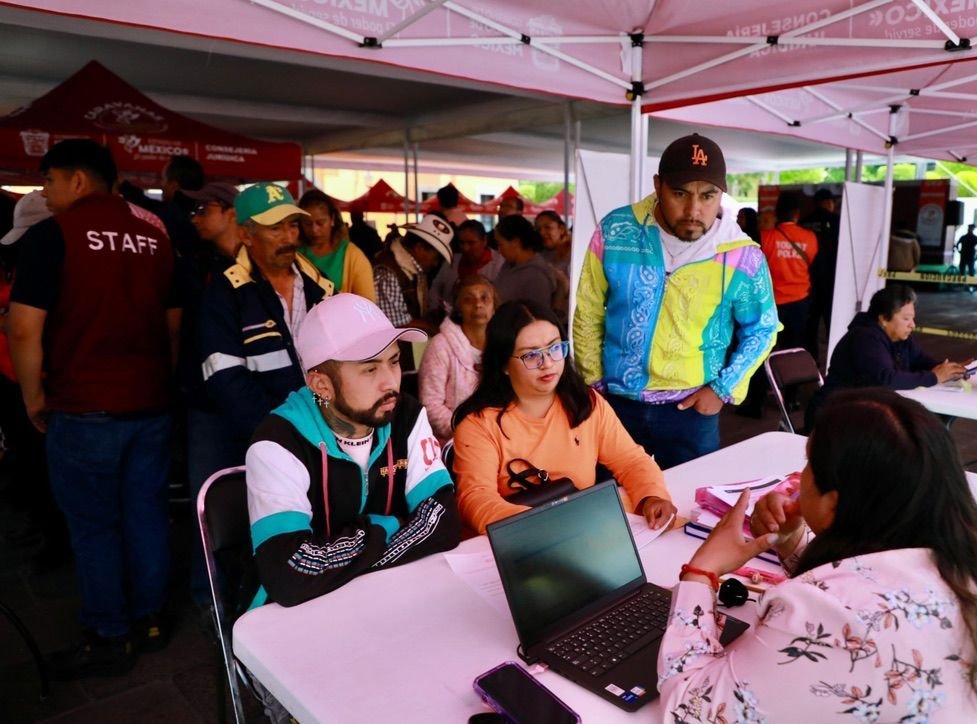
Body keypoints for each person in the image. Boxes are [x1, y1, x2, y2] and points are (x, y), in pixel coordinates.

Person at [659, 388, 977, 722]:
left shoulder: (824, 613)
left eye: (809, 464)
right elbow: (868, 586)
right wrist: (792, 542)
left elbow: (691, 711)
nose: (798, 478)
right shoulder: (957, 559)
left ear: (834, 503)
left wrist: (702, 571)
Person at [8, 139, 179, 677]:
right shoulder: (156, 231)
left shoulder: (52, 235)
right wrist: (161, 381)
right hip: (150, 402)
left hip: (84, 406)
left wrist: (33, 397)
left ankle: (109, 633)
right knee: (146, 513)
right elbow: (174, 323)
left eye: (49, 180)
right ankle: (150, 621)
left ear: (78, 180)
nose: (45, 193)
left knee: (94, 525)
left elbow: (23, 327)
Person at [574, 133, 778, 469]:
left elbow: (763, 328)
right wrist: (593, 385)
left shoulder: (742, 256)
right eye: (680, 193)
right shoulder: (615, 232)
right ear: (658, 186)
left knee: (689, 498)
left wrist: (722, 389)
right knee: (609, 497)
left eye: (708, 195)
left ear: (722, 194)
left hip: (692, 410)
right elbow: (588, 310)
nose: (694, 210)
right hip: (615, 404)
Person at [245, 293, 460, 609]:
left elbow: (444, 523)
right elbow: (290, 574)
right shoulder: (278, 443)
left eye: (394, 361)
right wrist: (386, 526)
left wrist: (344, 557)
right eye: (370, 369)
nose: (391, 383)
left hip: (390, 597)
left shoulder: (407, 415)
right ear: (321, 385)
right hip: (302, 617)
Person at [452, 299, 675, 535]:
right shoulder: (478, 425)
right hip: (513, 541)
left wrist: (652, 496)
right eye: (531, 355)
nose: (548, 363)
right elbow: (476, 498)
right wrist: (548, 525)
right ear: (504, 365)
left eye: (554, 348)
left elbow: (630, 460)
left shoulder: (585, 402)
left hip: (580, 531)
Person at [198, 182, 334, 479]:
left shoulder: (320, 286)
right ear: (246, 235)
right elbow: (226, 378)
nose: (288, 237)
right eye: (275, 228)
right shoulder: (226, 293)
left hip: (319, 439)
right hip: (254, 442)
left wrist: (328, 421)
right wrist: (279, 430)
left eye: (292, 225)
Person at [806, 284, 966, 427]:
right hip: (835, 415)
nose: (912, 325)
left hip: (865, 411)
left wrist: (950, 370)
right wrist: (934, 377)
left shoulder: (899, 337)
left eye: (912, 318)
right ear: (883, 318)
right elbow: (886, 379)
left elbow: (920, 360)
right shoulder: (865, 338)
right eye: (906, 319)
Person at [418, 275, 498, 445]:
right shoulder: (441, 346)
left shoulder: (503, 344)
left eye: (484, 298)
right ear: (458, 308)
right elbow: (431, 404)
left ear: (494, 306)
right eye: (468, 300)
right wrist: (469, 431)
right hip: (453, 442)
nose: (478, 304)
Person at [373, 215, 453, 335]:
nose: (435, 263)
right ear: (419, 248)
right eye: (435, 257)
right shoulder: (388, 273)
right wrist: (434, 329)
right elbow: (396, 323)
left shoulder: (412, 270)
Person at [761, 191, 818, 350]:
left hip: (772, 302)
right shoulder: (810, 238)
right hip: (800, 301)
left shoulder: (765, 238)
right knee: (794, 347)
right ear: (797, 214)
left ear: (776, 213)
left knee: (769, 346)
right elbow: (813, 264)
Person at [297, 189, 375, 301]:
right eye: (307, 223)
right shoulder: (295, 253)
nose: (314, 229)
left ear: (332, 219)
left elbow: (367, 303)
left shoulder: (353, 256)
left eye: (320, 223)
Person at [427, 219, 504, 316]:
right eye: (462, 243)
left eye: (471, 243)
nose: (465, 248)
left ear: (484, 240)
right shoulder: (452, 261)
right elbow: (436, 287)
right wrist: (435, 308)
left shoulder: (500, 265)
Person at [801, 187, 841, 362]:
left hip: (807, 279)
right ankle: (834, 359)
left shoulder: (804, 222)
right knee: (831, 322)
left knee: (810, 324)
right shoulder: (836, 220)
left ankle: (812, 359)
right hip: (831, 279)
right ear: (827, 202)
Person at [493, 214, 559, 316]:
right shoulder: (508, 265)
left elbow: (537, 316)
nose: (499, 250)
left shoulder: (537, 276)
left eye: (500, 244)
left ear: (515, 242)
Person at [535, 209, 571, 277]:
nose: (542, 233)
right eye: (539, 229)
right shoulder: (538, 255)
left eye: (548, 227)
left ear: (561, 229)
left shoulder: (573, 253)